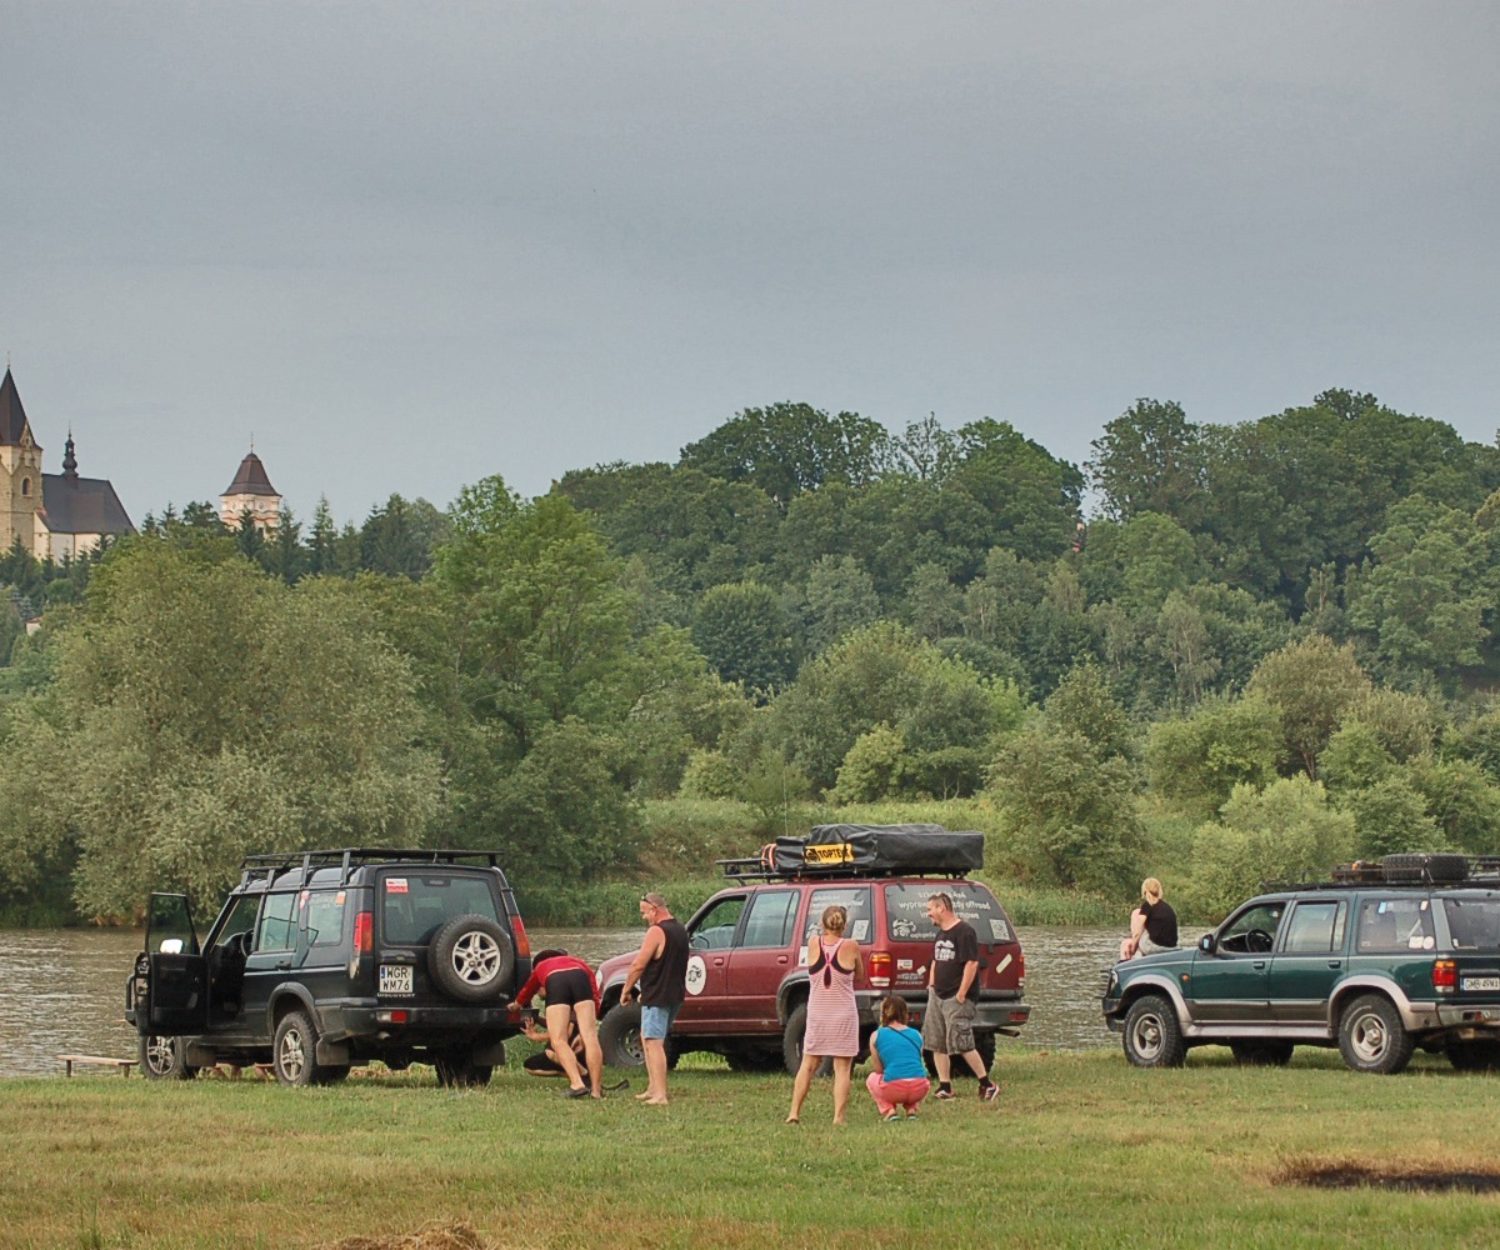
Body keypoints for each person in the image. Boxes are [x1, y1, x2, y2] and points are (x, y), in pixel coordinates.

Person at [786, 904, 863, 1125]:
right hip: (843, 1013)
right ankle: (838, 1117)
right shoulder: (851, 946)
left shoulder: (813, 944)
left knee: (808, 1064)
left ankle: (794, 1112)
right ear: (845, 925)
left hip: (818, 1011)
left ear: (822, 924)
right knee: (842, 1067)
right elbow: (860, 975)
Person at [923, 892, 1000, 1102]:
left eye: (930, 909)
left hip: (956, 998)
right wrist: (931, 984)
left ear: (941, 908)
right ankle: (945, 1086)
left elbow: (972, 963)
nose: (928, 914)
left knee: (962, 1042)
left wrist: (962, 994)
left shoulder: (964, 931)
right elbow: (936, 960)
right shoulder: (940, 934)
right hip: (937, 995)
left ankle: (987, 1084)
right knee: (936, 1043)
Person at [617, 892, 689, 1106]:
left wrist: (626, 989)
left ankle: (660, 1094)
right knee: (647, 1036)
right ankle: (652, 1087)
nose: (644, 918)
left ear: (655, 909)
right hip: (674, 994)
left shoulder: (657, 931)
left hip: (658, 996)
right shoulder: (680, 929)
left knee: (653, 1042)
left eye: (644, 913)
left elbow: (639, 964)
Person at [514, 948, 606, 1099]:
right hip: (581, 979)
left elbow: (527, 990)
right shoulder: (580, 963)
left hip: (557, 982)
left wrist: (516, 1005)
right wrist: (593, 1015)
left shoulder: (541, 967)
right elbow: (594, 992)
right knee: (590, 1038)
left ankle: (577, 1084)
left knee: (558, 1040)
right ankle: (596, 1091)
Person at [865, 995, 930, 1121]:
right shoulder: (917, 1034)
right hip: (919, 1087)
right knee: (916, 1074)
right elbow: (918, 1061)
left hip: (893, 1088)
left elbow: (878, 1069)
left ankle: (889, 1110)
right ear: (905, 1013)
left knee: (872, 1079)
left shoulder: (876, 1036)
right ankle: (911, 1109)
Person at [1120, 878, 1178, 960]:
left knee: (1126, 943)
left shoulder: (1148, 905)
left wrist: (1133, 945)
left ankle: (1124, 964)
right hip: (1172, 948)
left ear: (1145, 891)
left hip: (1154, 947)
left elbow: (1138, 931)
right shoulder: (1167, 907)